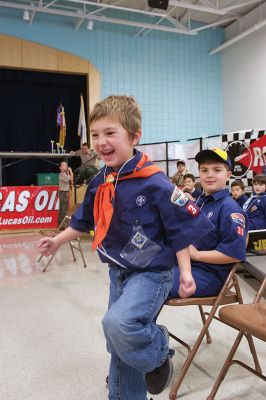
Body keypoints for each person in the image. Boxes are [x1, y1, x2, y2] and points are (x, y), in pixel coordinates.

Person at [38, 95, 212, 400]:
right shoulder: (100, 180)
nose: (101, 142)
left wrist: (185, 271)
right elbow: (83, 221)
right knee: (118, 343)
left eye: (110, 133)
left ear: (134, 137)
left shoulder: (155, 182)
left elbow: (179, 229)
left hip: (152, 272)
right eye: (95, 135)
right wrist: (57, 240)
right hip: (119, 272)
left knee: (117, 324)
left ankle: (159, 353)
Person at [169, 148, 247, 298]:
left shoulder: (229, 209)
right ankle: (142, 322)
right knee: (141, 273)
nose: (209, 175)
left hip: (209, 274)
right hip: (187, 265)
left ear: (228, 175)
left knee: (152, 282)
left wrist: (196, 255)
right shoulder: (201, 201)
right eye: (204, 170)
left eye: (217, 170)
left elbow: (235, 254)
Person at [58, 161, 73, 226]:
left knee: (64, 209)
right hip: (63, 193)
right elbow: (70, 179)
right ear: (60, 167)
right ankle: (62, 224)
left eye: (66, 165)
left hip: (65, 192)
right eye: (64, 165)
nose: (66, 166)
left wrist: (69, 172)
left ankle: (63, 224)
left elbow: (71, 181)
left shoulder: (65, 174)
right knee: (63, 209)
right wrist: (71, 171)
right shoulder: (62, 174)